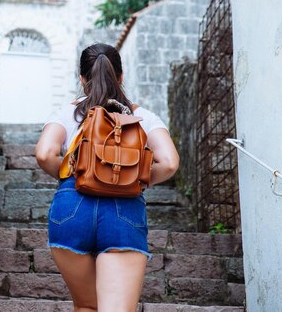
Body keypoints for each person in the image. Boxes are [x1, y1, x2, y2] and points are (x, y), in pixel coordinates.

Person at [35, 43, 179, 312]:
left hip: (71, 210)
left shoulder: (68, 113)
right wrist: (139, 180)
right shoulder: (141, 118)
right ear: (121, 77)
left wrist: (72, 173)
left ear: (82, 78)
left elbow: (44, 154)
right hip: (123, 212)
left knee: (87, 306)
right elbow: (169, 162)